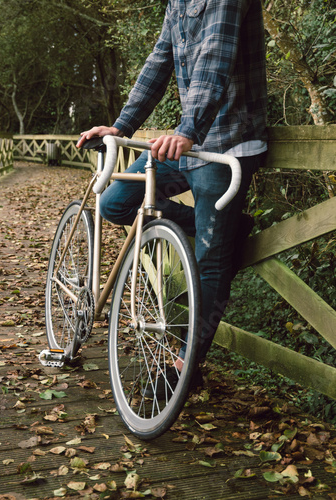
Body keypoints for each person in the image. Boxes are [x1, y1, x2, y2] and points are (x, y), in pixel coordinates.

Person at [77, 0, 267, 397]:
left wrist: (189, 127)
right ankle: (225, 230)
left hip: (226, 145)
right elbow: (160, 61)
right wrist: (122, 125)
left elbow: (216, 55)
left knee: (211, 262)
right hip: (186, 144)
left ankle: (184, 368)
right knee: (116, 202)